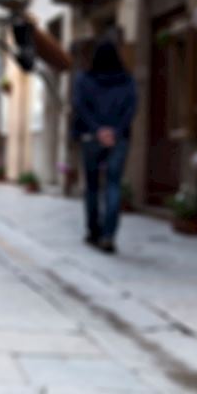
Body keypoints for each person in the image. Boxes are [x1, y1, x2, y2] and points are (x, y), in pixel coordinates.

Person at [72, 39, 137, 254]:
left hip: (92, 137)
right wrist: (115, 131)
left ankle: (93, 232)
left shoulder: (84, 79)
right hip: (119, 139)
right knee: (113, 184)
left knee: (91, 185)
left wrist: (98, 130)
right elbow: (131, 108)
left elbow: (80, 106)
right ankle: (108, 235)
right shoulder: (127, 81)